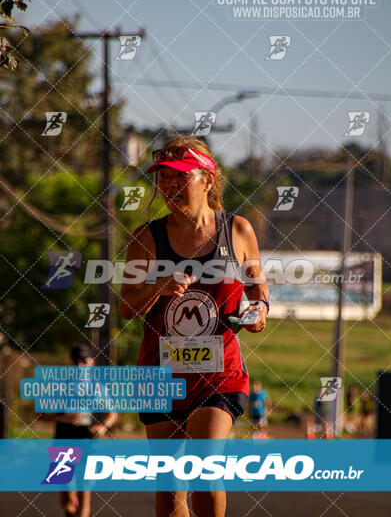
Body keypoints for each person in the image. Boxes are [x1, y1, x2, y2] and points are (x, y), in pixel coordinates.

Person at [119, 136, 270, 517]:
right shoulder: (146, 239)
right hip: (160, 375)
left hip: (219, 375)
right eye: (163, 177)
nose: (169, 185)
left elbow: (258, 286)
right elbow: (125, 307)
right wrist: (158, 287)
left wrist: (260, 309)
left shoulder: (238, 231)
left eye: (180, 176)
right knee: (170, 489)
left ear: (207, 179)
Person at [38, 344, 117, 517]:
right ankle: (69, 507)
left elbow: (113, 414)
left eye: (84, 361)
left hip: (89, 438)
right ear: (70, 363)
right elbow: (40, 415)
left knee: (85, 490)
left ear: (91, 363)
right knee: (66, 492)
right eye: (76, 361)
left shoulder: (98, 387)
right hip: (64, 437)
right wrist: (62, 418)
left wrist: (103, 426)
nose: (80, 365)